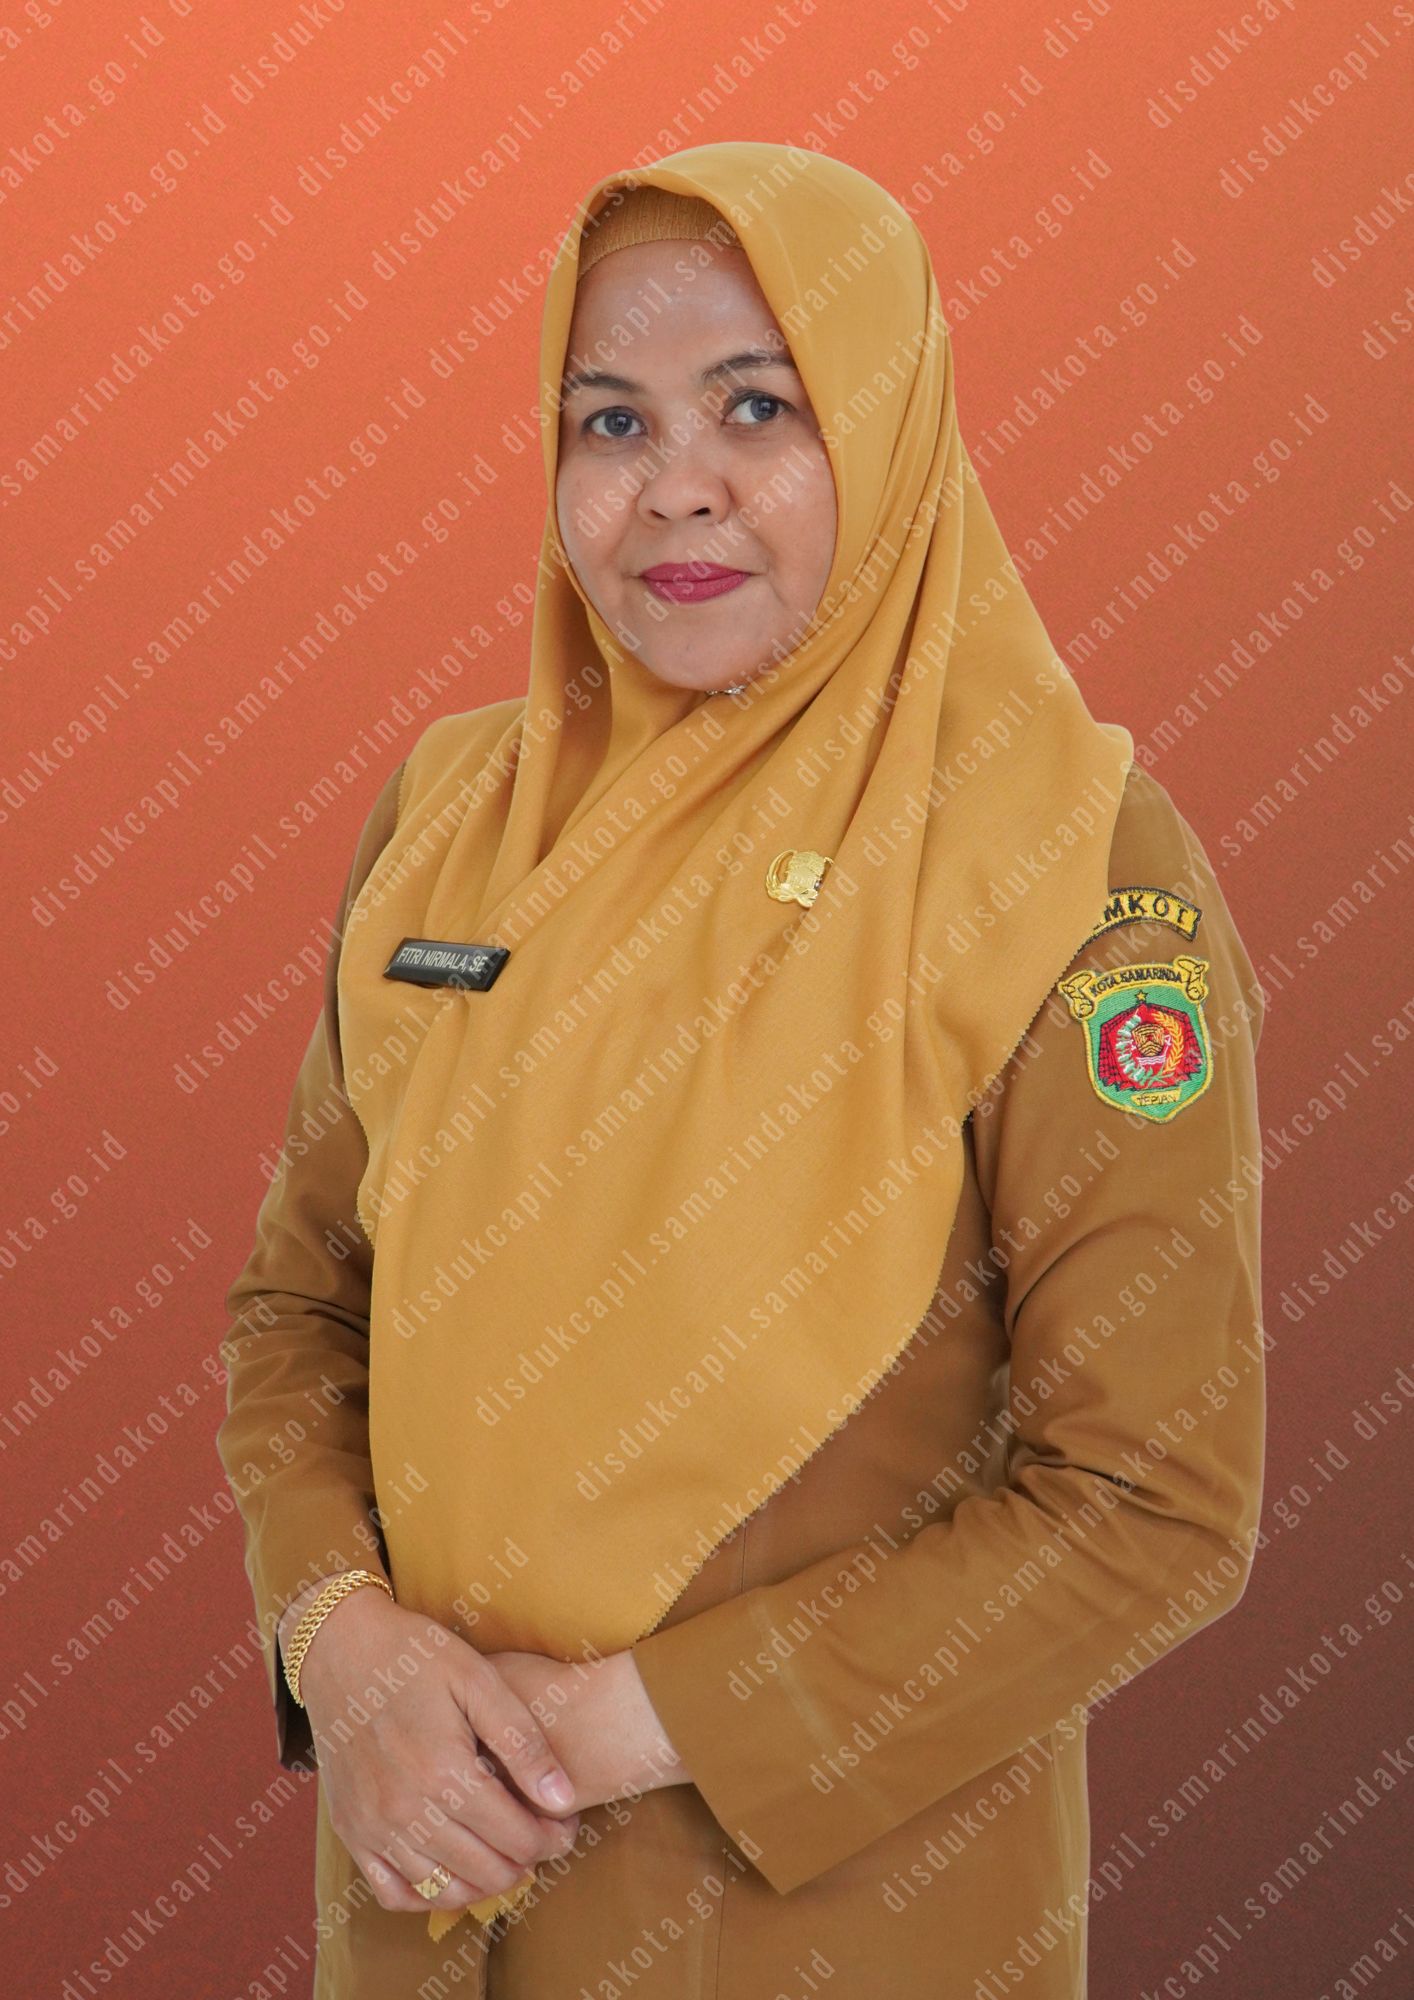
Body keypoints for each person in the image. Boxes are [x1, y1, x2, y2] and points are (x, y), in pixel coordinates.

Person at [216, 142, 1267, 2000]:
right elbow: (305, 1313)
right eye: (608, 420)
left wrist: (611, 1730)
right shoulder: (451, 817)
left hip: (835, 1931)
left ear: (891, 423)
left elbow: (1150, 1500)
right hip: (419, 1912)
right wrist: (341, 1648)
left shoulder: (1065, 858)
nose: (673, 486)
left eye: (757, 408)